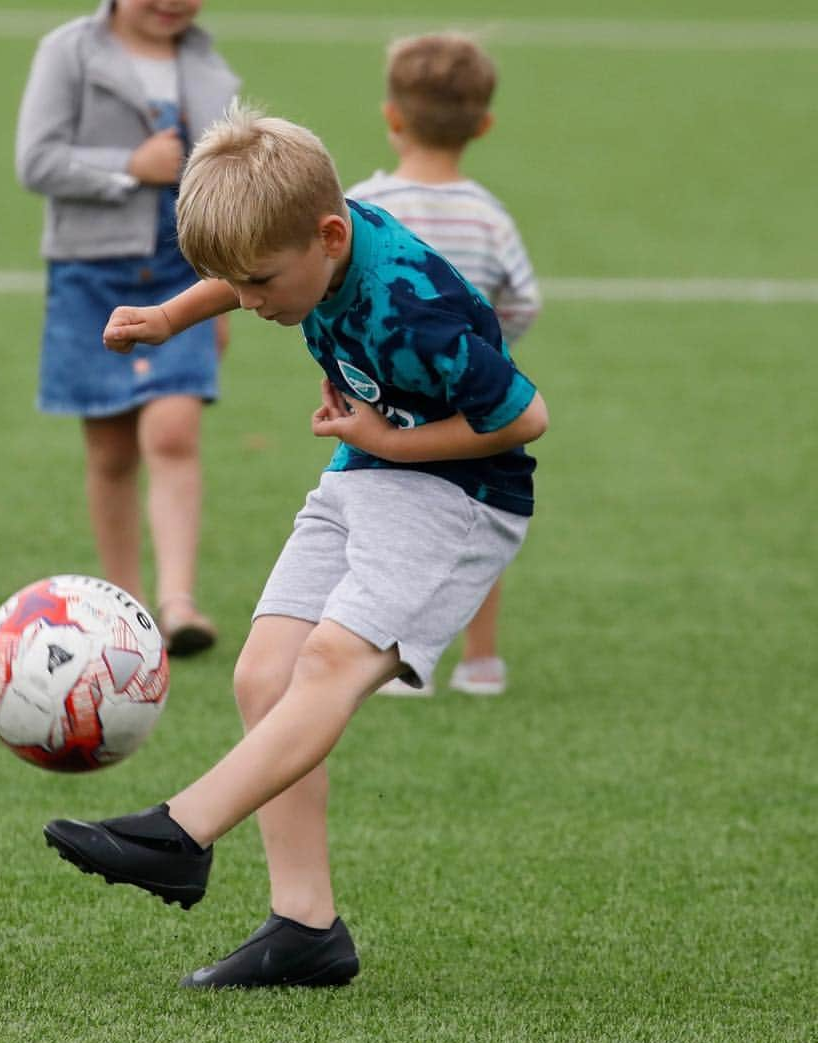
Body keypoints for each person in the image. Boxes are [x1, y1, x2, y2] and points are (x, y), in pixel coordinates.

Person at [43, 104, 548, 989]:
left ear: (327, 235)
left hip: (459, 495)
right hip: (368, 469)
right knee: (261, 674)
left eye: (261, 284)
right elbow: (243, 269)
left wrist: (390, 444)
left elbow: (521, 418)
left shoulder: (412, 307)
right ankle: (306, 927)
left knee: (326, 667)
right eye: (233, 286)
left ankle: (182, 833)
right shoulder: (307, 241)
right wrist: (171, 315)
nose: (251, 303)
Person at [15, 0, 239, 655]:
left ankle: (179, 602)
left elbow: (223, 186)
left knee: (173, 432)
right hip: (91, 274)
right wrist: (127, 168)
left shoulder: (206, 62)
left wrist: (218, 298)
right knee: (111, 452)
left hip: (181, 270)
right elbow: (37, 160)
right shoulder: (68, 52)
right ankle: (125, 605)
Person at [348, 32, 542, 697]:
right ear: (483, 125)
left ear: (392, 116)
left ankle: (401, 663)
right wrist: (491, 346)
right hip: (474, 401)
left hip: (388, 399)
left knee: (391, 525)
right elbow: (522, 300)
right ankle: (480, 661)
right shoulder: (489, 216)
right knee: (473, 522)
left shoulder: (366, 208)